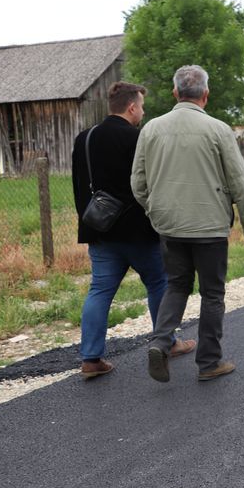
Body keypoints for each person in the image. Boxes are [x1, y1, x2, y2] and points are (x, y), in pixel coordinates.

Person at [132, 65, 244, 383]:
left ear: (176, 93)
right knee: (212, 294)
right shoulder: (218, 130)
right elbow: (240, 183)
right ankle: (208, 362)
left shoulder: (150, 130)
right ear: (205, 94)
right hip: (210, 227)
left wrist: (156, 211)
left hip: (170, 227)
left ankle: (161, 342)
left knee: (176, 285)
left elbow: (138, 183)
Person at [71, 82, 195, 380]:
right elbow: (153, 183)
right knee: (158, 283)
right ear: (131, 107)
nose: (143, 110)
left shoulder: (84, 138)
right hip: (138, 230)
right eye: (141, 105)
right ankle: (168, 342)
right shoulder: (138, 138)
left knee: (100, 290)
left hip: (99, 228)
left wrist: (88, 222)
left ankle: (91, 358)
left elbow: (79, 185)